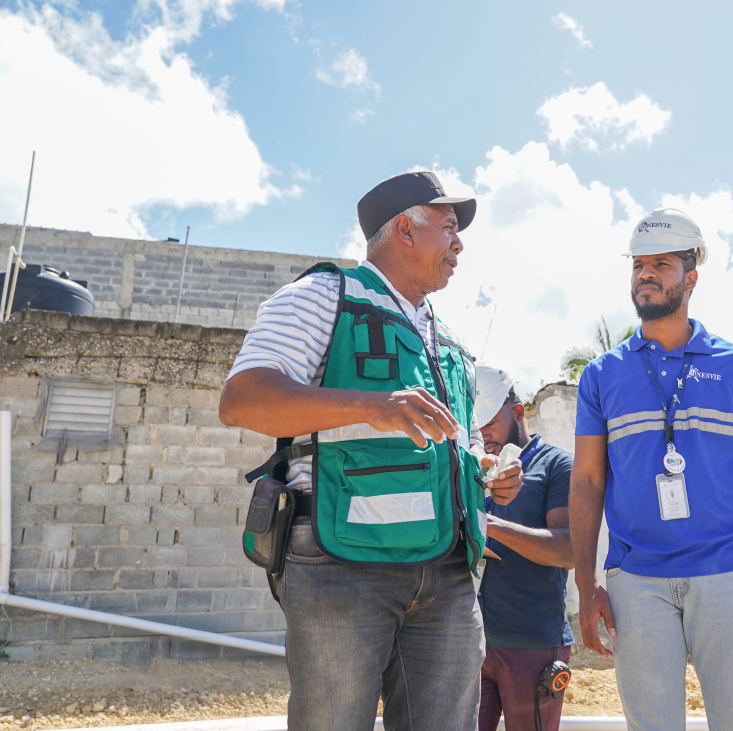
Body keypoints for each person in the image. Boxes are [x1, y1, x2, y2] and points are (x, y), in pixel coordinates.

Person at [219, 171, 523, 731]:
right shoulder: (324, 295)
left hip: (448, 571)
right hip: (342, 565)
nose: (460, 244)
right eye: (448, 227)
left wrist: (486, 468)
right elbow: (242, 399)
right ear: (404, 229)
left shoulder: (448, 339)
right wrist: (369, 404)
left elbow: (462, 440)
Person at [568, 208, 733, 731]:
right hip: (636, 582)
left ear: (690, 277)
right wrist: (586, 584)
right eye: (639, 264)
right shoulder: (602, 374)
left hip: (728, 573)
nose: (645, 273)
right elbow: (587, 480)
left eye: (661, 264)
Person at [472, 365, 576, 731]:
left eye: (489, 423)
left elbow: (568, 549)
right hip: (473, 642)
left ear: (517, 412)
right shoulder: (472, 466)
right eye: (475, 427)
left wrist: (492, 527)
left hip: (533, 645)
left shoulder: (557, 465)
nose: (483, 435)